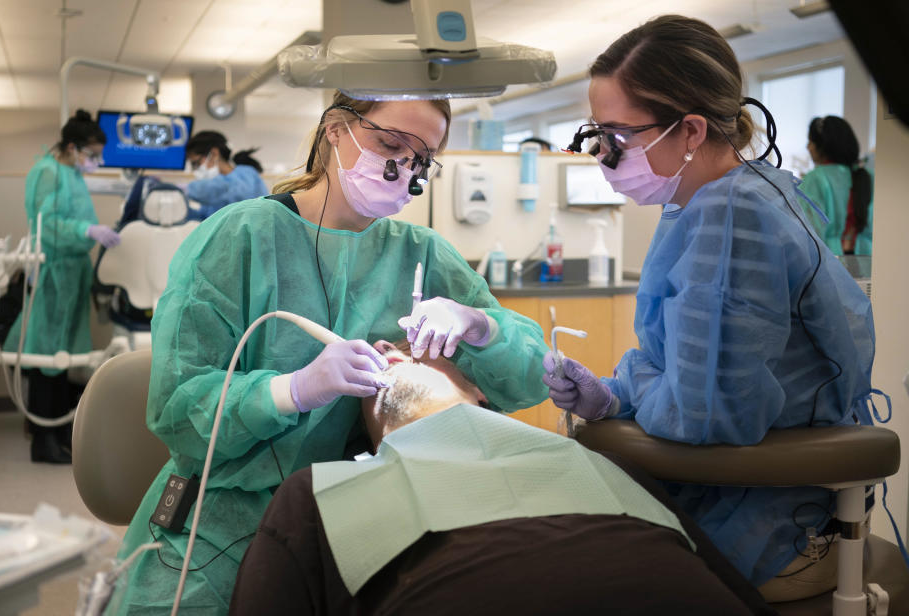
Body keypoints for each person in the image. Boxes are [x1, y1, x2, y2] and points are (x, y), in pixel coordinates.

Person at [107, 93, 549, 614]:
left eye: (422, 158)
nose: (403, 167)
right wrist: (291, 389)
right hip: (223, 525)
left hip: (364, 518)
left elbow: (526, 381)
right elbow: (179, 413)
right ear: (335, 129)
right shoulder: (240, 236)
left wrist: (479, 326)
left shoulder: (421, 253)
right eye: (390, 144)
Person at [542, 15, 876, 601]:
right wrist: (614, 392)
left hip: (768, 519)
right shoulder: (712, 201)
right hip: (735, 489)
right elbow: (685, 367)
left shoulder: (732, 219)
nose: (602, 153)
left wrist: (625, 397)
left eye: (616, 137)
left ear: (690, 130)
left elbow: (706, 417)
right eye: (596, 134)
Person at [229, 340, 775, 616]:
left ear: (480, 394)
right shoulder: (320, 491)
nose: (390, 353)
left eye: (419, 351)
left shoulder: (600, 463)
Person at [3, 109, 119, 465]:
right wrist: (86, 231)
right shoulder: (47, 172)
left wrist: (92, 230)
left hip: (72, 274)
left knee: (61, 356)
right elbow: (49, 224)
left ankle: (57, 435)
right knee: (46, 356)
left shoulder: (69, 171)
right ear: (73, 147)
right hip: (54, 274)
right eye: (92, 155)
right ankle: (43, 440)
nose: (95, 162)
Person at [799, 115, 873, 255]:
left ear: (822, 146)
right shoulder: (868, 176)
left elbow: (808, 232)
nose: (807, 147)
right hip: (868, 263)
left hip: (830, 263)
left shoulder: (815, 179)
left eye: (810, 141)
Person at [183, 130, 268, 219]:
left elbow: (229, 190)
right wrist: (186, 213)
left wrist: (186, 189)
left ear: (214, 153)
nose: (196, 169)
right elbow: (208, 218)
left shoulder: (246, 174)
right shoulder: (214, 190)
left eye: (196, 163)